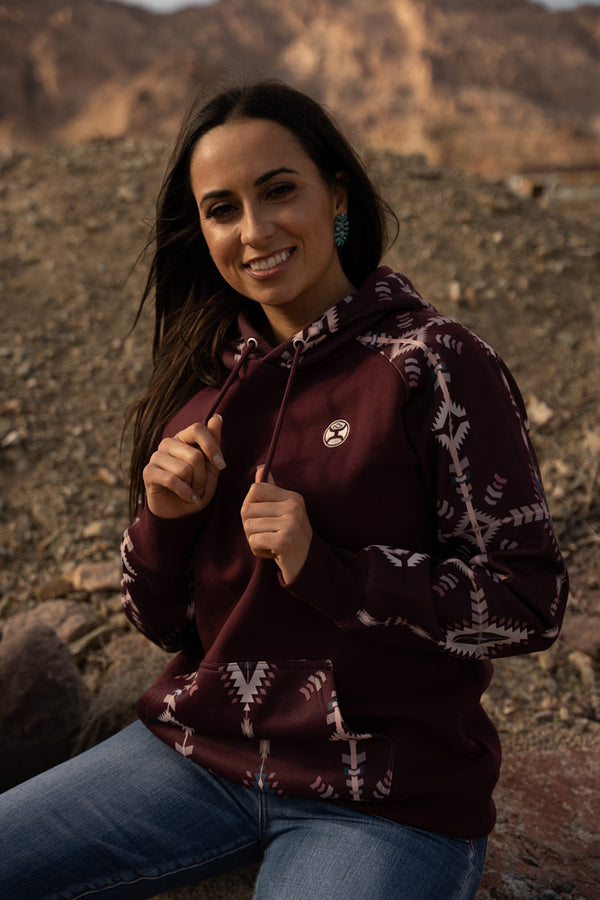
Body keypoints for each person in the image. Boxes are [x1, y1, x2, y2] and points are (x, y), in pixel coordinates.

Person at [0, 80, 568, 899]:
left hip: (381, 801)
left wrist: (329, 569)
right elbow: (159, 622)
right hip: (197, 761)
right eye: (222, 209)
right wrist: (163, 523)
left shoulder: (433, 363)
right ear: (202, 232)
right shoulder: (204, 391)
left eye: (278, 192)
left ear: (336, 196)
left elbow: (530, 600)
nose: (254, 231)